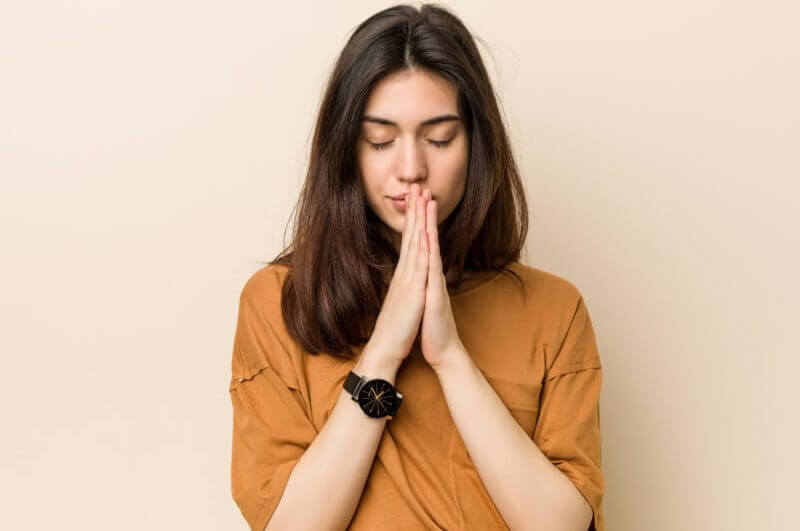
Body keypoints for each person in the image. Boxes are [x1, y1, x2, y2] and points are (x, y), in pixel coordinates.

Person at [228, 4, 604, 530]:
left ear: (476, 145)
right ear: (346, 151)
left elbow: (559, 527)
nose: (411, 169)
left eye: (439, 139)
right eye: (380, 141)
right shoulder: (279, 302)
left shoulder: (553, 310)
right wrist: (383, 351)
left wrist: (449, 356)